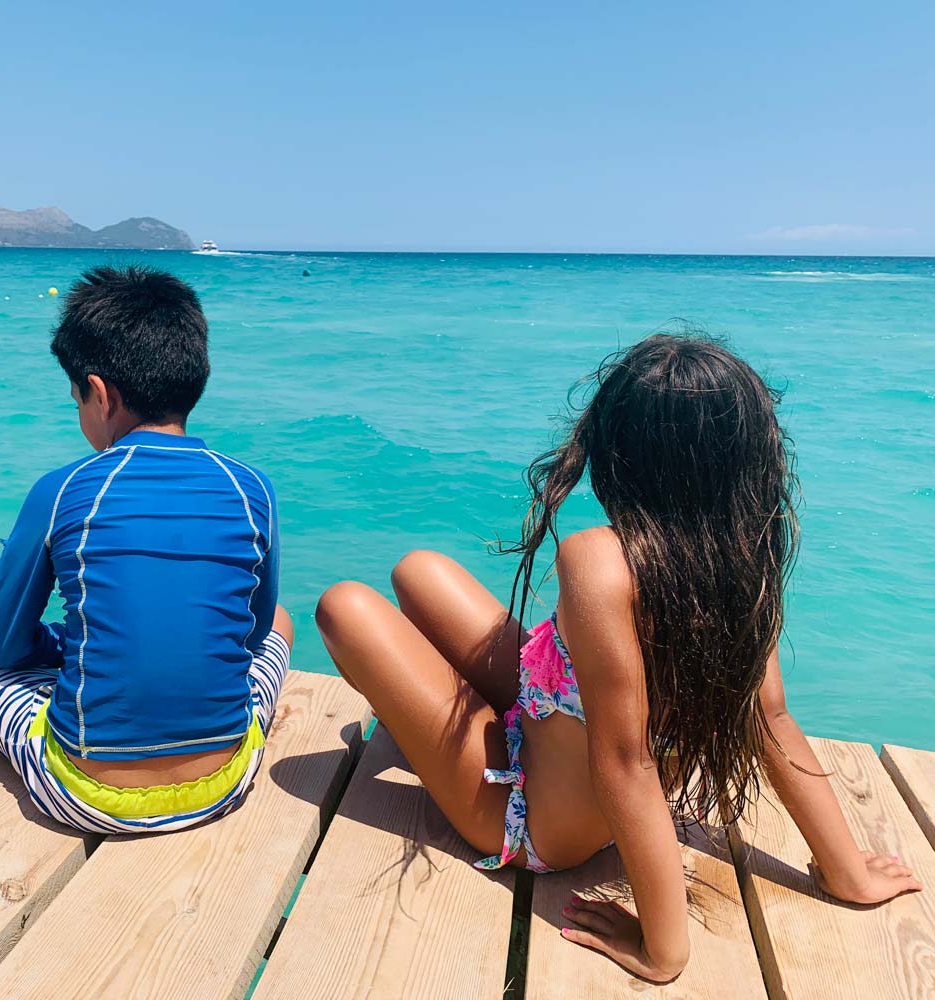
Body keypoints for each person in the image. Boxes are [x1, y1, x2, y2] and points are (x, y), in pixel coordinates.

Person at [314, 333, 921, 982]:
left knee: (344, 607)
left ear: (618, 453)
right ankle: (458, 732)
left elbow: (624, 758)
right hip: (564, 749)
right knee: (418, 572)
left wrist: (665, 949)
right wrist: (846, 872)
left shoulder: (598, 560)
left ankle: (443, 752)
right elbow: (772, 720)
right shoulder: (744, 560)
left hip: (532, 823)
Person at [0, 265, 290, 835]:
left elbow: (2, 648)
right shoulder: (251, 487)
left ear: (99, 394)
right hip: (225, 779)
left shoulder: (62, 489)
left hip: (84, 793)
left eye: (76, 398)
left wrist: (63, 640)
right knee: (281, 620)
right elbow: (250, 637)